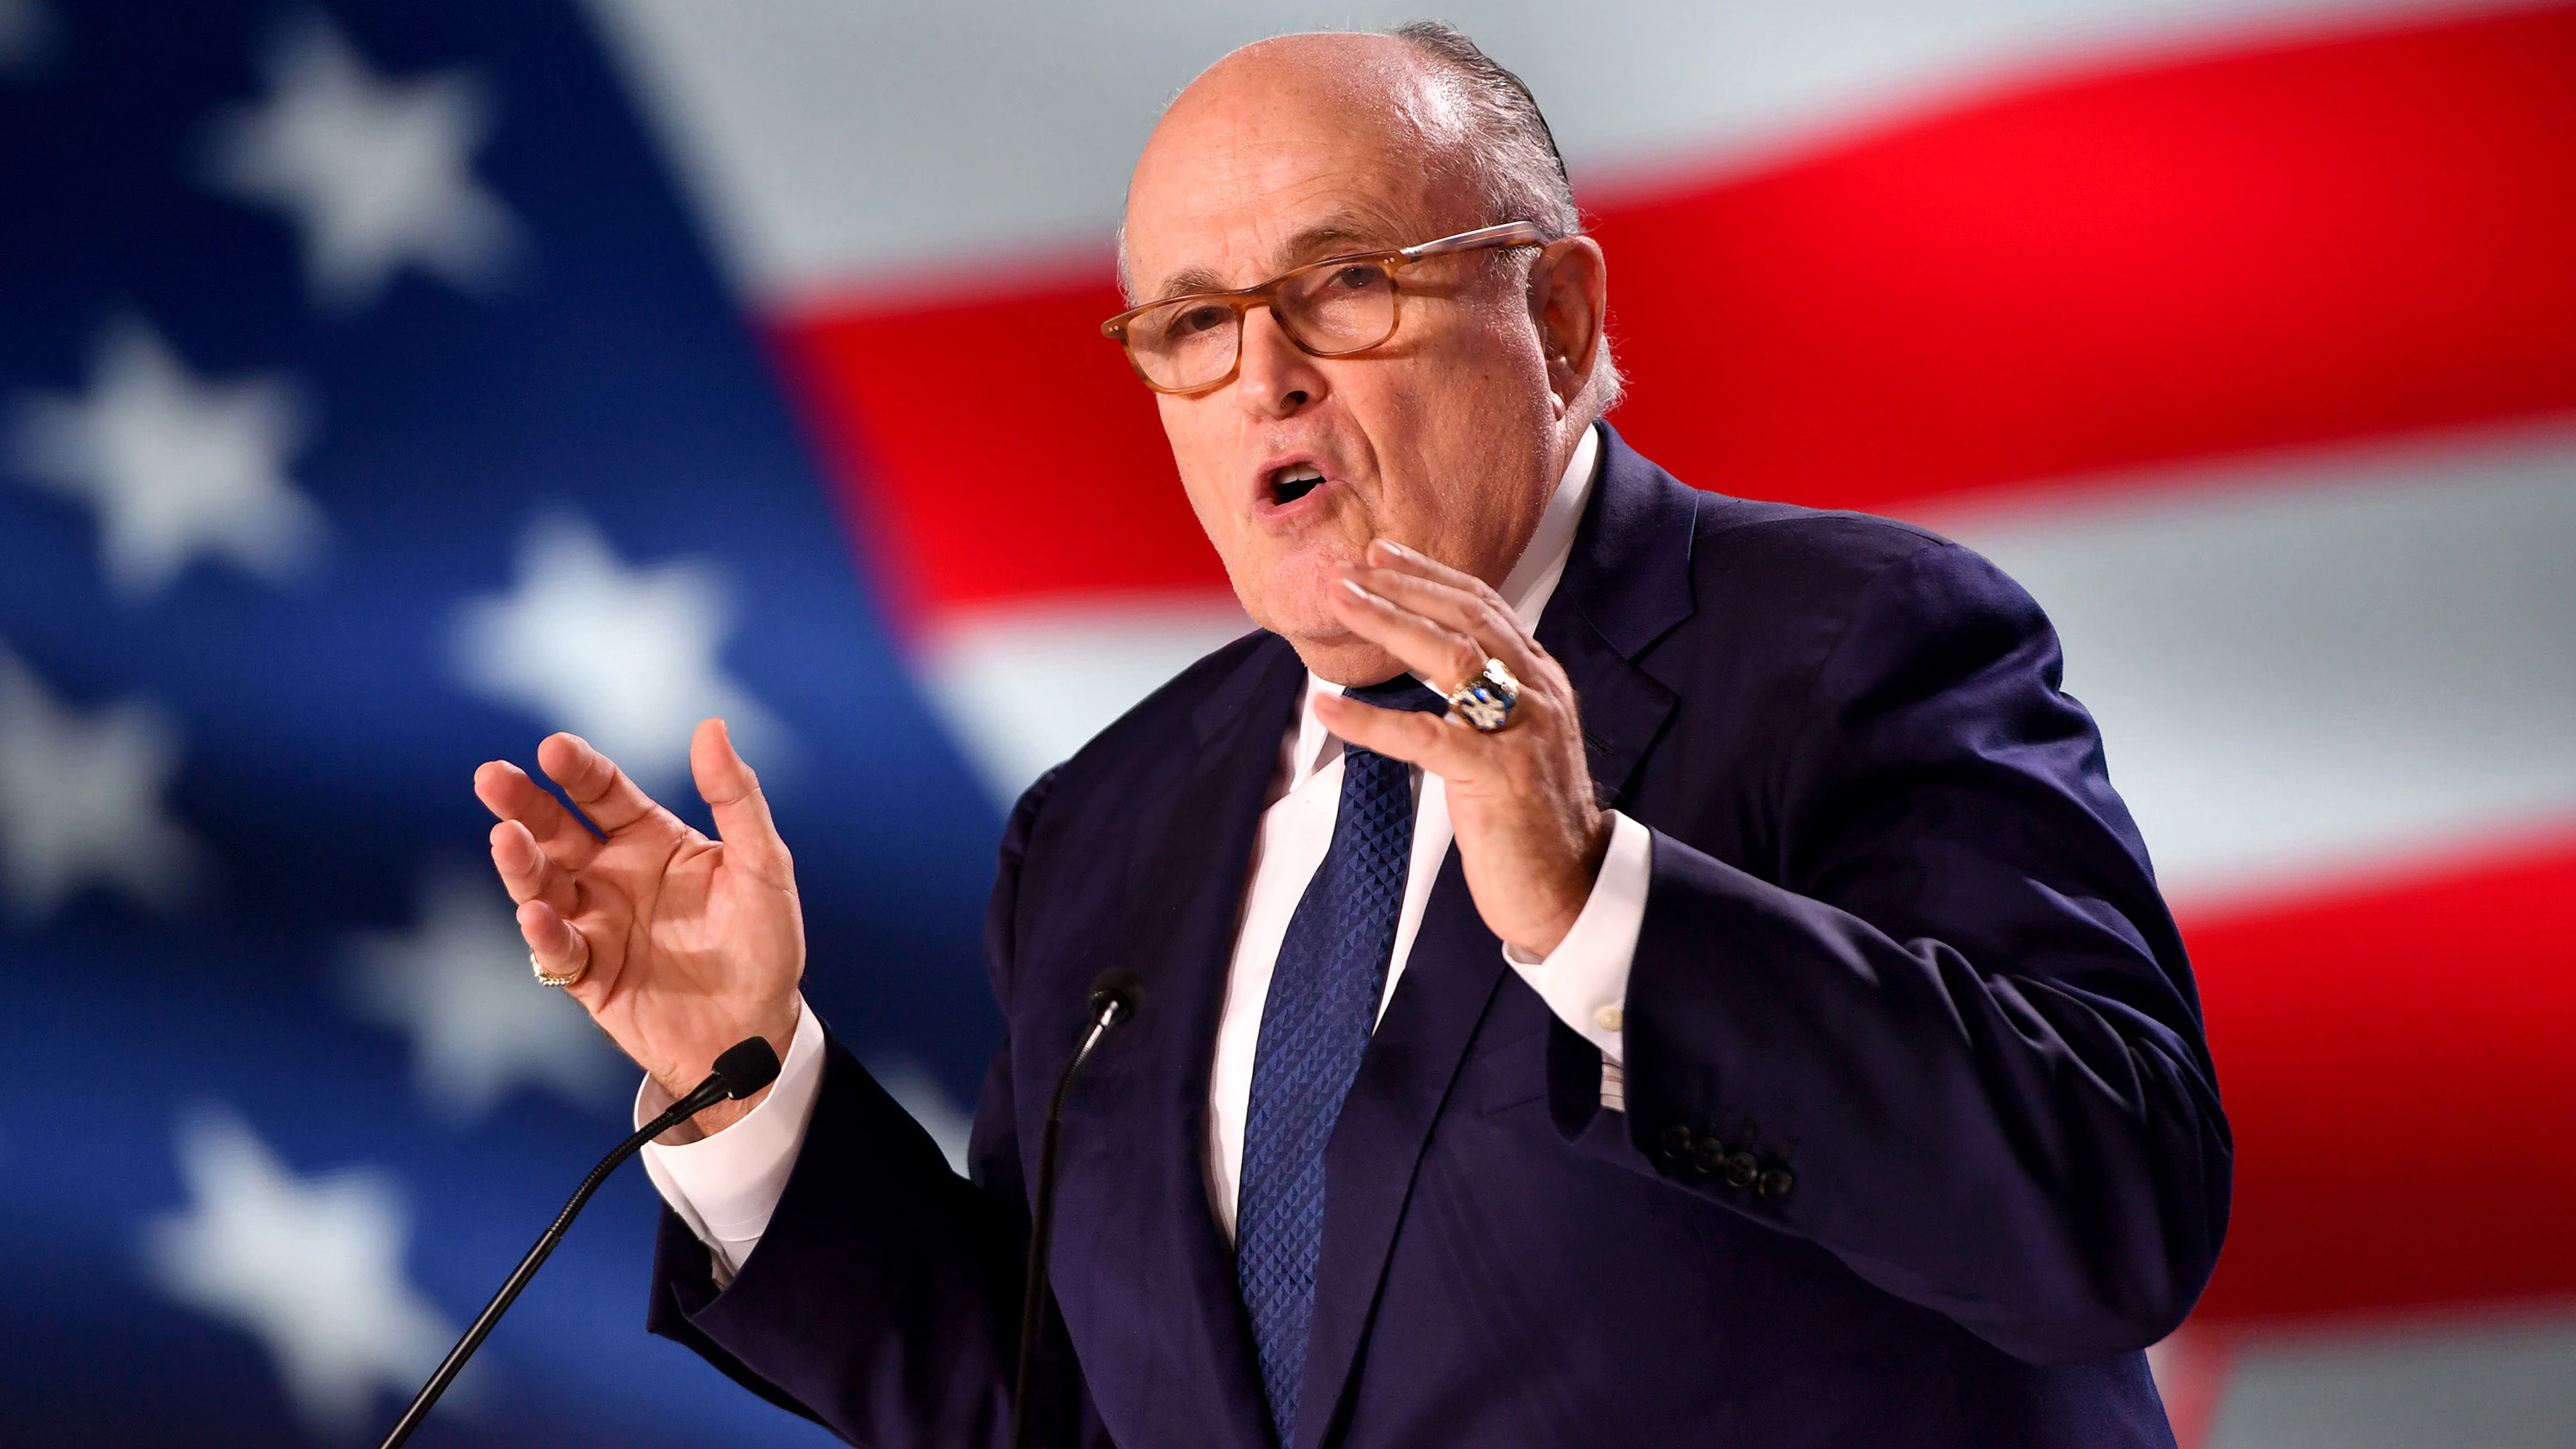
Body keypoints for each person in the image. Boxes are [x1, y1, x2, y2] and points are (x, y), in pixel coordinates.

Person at [472, 23, 2227, 1448]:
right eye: (1194, 326)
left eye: (1350, 284)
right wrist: (752, 1087)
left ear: (1561, 319)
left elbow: (2114, 1208)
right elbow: (1066, 1409)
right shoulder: (1109, 827)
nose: (1267, 378)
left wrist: (1600, 906)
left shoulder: (1854, 645)